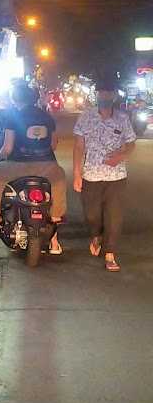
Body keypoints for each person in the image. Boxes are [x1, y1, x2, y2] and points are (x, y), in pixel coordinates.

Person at [0, 83, 66, 256]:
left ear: (15, 99)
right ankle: (55, 227)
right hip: (47, 166)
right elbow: (53, 144)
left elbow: (7, 148)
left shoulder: (12, 117)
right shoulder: (46, 116)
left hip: (17, 166)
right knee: (59, 178)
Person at [73, 77, 136, 272]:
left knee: (114, 217)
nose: (105, 96)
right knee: (92, 215)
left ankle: (110, 253)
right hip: (91, 174)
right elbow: (78, 145)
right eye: (102, 92)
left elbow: (131, 142)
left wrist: (121, 155)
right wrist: (77, 173)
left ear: (115, 96)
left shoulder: (123, 118)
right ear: (97, 95)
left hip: (116, 177)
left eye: (109, 93)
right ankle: (96, 234)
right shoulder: (86, 117)